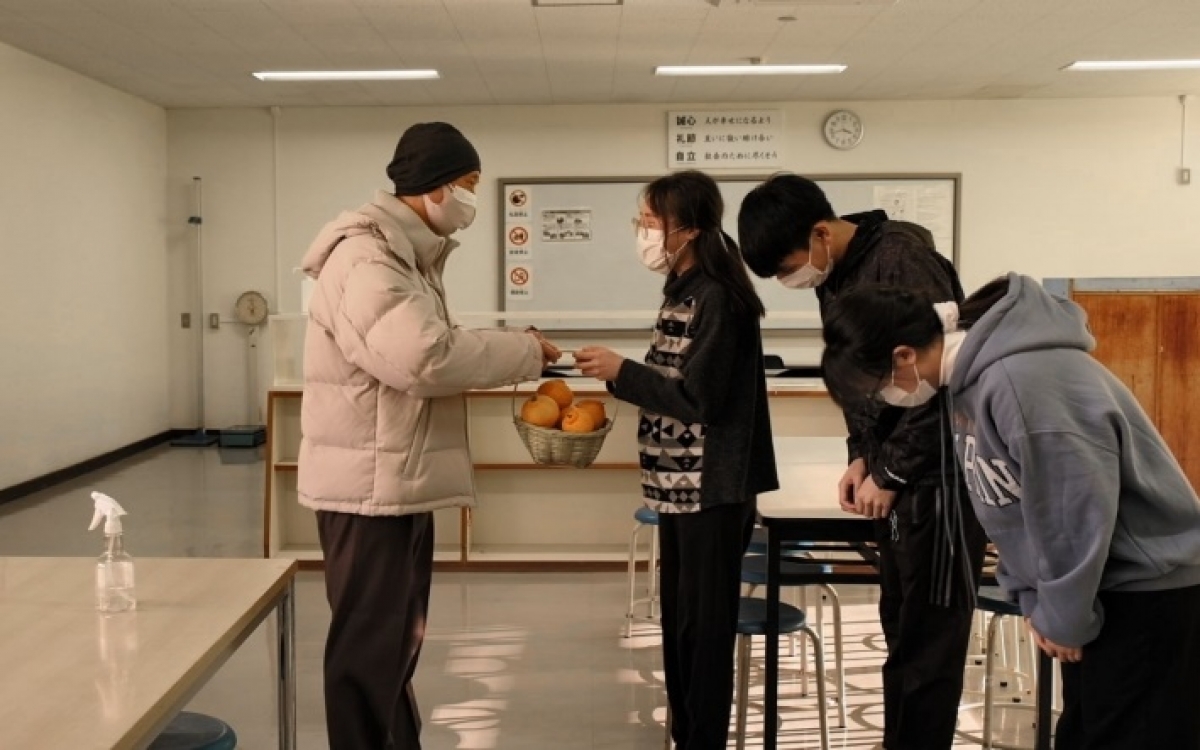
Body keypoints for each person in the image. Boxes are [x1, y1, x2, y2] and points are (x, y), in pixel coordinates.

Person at [819, 273, 1200, 750]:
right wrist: (1033, 597)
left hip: (1145, 586)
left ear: (904, 355)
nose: (886, 400)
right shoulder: (969, 382)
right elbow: (1004, 505)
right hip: (1098, 586)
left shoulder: (1021, 380)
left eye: (878, 389)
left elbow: (1074, 513)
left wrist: (1062, 616)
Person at [298, 121, 560, 750]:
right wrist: (524, 353)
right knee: (370, 651)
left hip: (393, 478)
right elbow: (424, 359)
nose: (471, 199)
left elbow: (426, 346)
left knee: (395, 643)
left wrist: (514, 349)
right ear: (433, 186)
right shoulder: (366, 258)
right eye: (467, 184)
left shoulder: (402, 255)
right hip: (368, 487)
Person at [738, 174, 985, 750]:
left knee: (928, 644)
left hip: (936, 482)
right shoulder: (839, 273)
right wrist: (860, 457)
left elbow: (941, 380)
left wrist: (891, 471)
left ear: (821, 233)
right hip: (896, 479)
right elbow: (858, 377)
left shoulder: (903, 262)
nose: (792, 280)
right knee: (900, 629)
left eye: (788, 268)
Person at [575, 170, 778, 750]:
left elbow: (698, 399)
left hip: (710, 487)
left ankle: (701, 737)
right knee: (683, 623)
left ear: (686, 229)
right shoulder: (684, 289)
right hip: (677, 486)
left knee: (705, 630)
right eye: (640, 219)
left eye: (650, 220)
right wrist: (620, 375)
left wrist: (622, 372)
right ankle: (686, 733)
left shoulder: (719, 297)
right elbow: (672, 382)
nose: (642, 231)